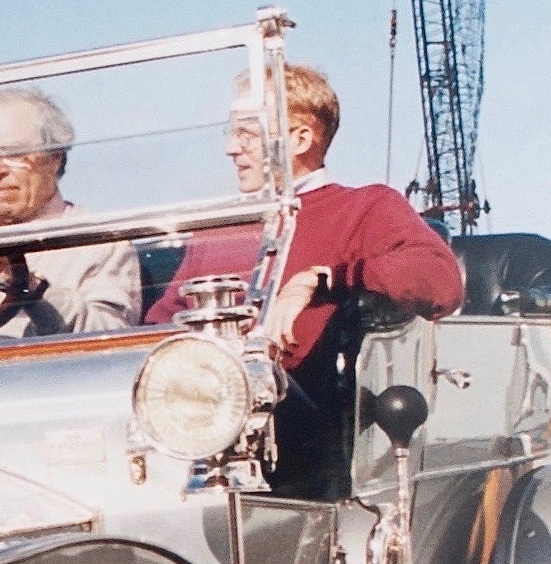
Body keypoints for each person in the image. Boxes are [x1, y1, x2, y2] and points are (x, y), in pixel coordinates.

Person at [145, 65, 462, 368]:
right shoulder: (219, 228)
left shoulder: (367, 208)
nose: (231, 148)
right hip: (203, 407)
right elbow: (158, 331)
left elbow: (442, 281)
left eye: (247, 134)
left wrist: (323, 279)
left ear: (299, 140)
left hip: (307, 411)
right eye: (231, 132)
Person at [0, 88, 141, 337]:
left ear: (55, 159)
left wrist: (31, 288)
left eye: (14, 154)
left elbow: (112, 339)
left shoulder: (100, 243)